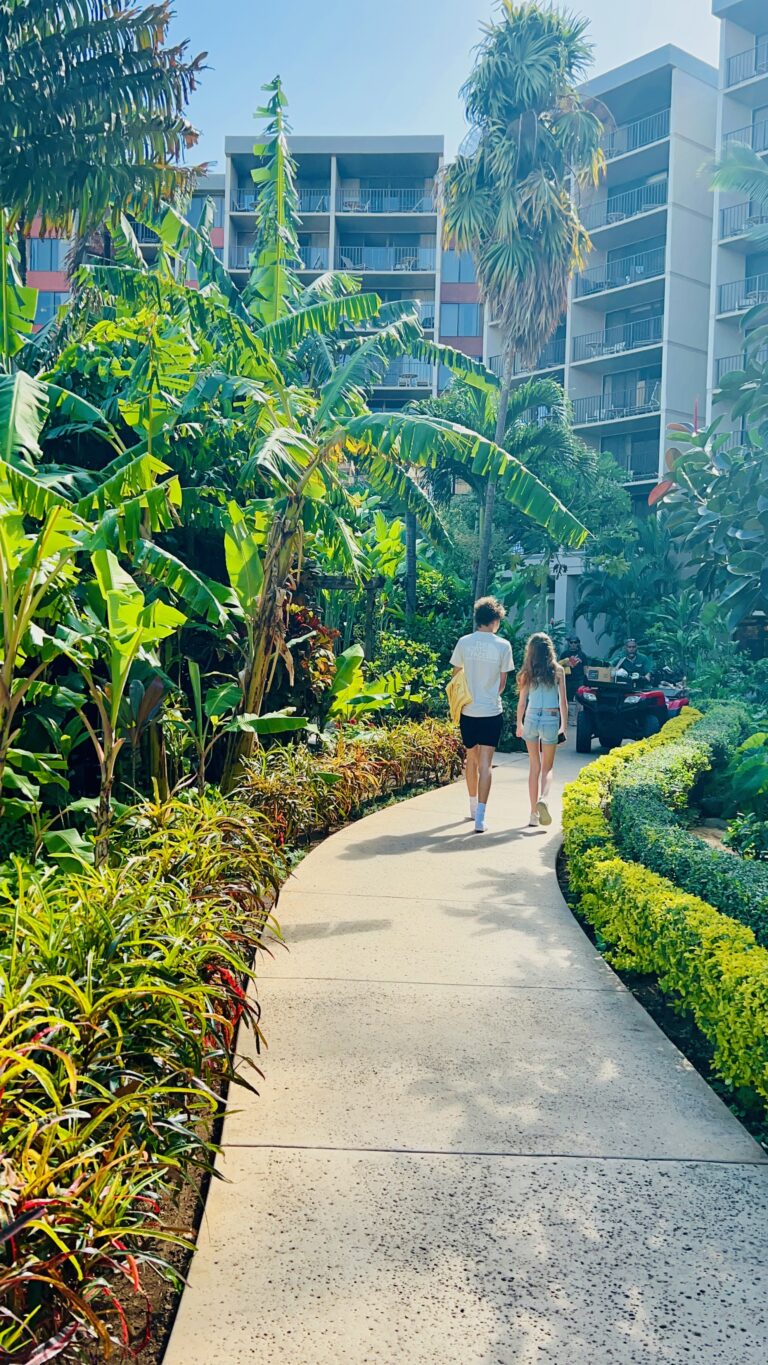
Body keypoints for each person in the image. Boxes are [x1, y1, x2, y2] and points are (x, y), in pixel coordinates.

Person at [450, 597, 514, 834]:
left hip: (468, 710)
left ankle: (471, 805)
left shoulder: (464, 642)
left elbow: (456, 676)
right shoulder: (503, 645)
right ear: (495, 619)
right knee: (486, 764)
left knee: (471, 759)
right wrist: (488, 693)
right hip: (490, 711)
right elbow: (502, 683)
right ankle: (480, 818)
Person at [516, 632, 568, 828]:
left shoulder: (527, 672)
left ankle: (532, 815)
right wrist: (563, 726)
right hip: (550, 718)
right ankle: (544, 799)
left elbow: (521, 703)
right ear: (549, 650)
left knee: (534, 767)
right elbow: (563, 701)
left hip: (531, 717)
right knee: (548, 767)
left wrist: (519, 724)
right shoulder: (558, 671)